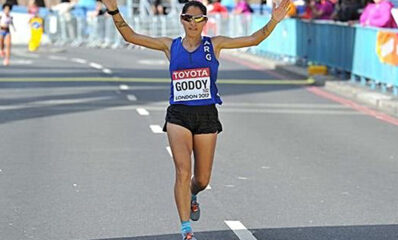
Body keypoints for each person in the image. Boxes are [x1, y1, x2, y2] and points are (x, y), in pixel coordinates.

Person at [99, 0, 290, 239]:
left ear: (204, 22)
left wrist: (274, 20)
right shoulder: (170, 46)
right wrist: (113, 9)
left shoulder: (215, 44)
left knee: (201, 178)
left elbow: (254, 39)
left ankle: (193, 193)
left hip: (206, 114)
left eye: (198, 19)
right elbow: (130, 36)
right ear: (182, 20)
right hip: (178, 114)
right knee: (181, 170)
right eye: (188, 18)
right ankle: (186, 229)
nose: (193, 23)